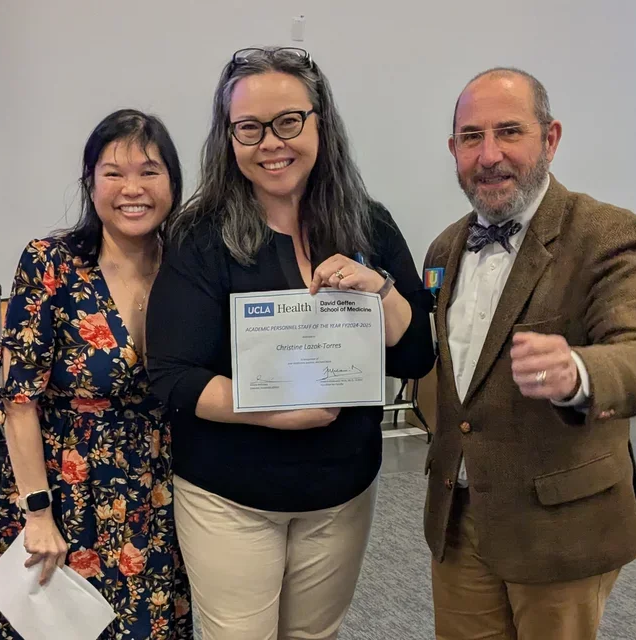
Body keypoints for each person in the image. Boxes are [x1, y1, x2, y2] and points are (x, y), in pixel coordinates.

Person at [145, 47, 436, 640]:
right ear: (229, 138)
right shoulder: (201, 237)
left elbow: (416, 356)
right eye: (249, 128)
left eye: (288, 121)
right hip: (231, 495)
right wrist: (272, 410)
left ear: (320, 122)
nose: (270, 142)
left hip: (341, 491)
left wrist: (381, 292)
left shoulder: (369, 226)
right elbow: (170, 377)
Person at [423, 67, 636, 640]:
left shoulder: (606, 233)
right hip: (460, 519)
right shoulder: (445, 246)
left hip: (560, 526)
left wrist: (579, 370)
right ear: (454, 148)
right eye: (471, 137)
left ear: (550, 138)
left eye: (509, 131)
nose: (489, 155)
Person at [0, 109, 193, 640]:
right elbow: (17, 399)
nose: (133, 189)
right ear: (90, 183)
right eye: (113, 173)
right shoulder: (50, 263)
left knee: (153, 626)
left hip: (159, 489)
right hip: (67, 488)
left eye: (150, 171)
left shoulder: (187, 266)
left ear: (172, 181)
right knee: (64, 627)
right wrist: (36, 510)